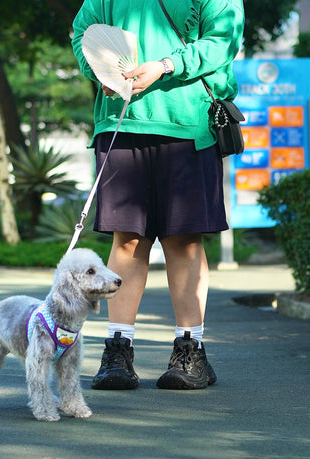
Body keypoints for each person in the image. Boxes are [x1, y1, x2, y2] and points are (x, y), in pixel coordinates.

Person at [71, 0, 244, 390]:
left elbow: (223, 41)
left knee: (183, 240)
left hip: (188, 123)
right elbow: (83, 34)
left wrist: (166, 65)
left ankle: (191, 350)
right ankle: (118, 349)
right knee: (126, 238)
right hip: (122, 119)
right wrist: (99, 72)